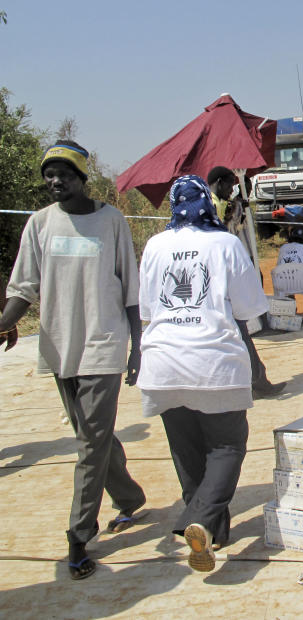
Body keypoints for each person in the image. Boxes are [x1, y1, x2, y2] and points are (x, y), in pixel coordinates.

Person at [0, 140, 146, 580]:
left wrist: (138, 346)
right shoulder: (40, 225)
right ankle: (130, 497)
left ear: (83, 178)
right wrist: (3, 322)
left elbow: (131, 289)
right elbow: (23, 287)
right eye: (49, 175)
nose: (55, 182)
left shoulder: (111, 221)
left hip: (103, 345)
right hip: (60, 347)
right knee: (93, 437)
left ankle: (79, 535)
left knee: (89, 444)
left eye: (64, 174)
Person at [137, 175, 269, 572]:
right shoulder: (226, 243)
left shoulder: (155, 245)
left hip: (161, 364)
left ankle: (212, 532)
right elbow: (249, 309)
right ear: (208, 205)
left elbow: (147, 309)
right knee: (227, 446)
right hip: (214, 363)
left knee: (187, 449)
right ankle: (197, 521)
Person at [207, 166, 285, 398]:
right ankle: (257, 381)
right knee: (239, 331)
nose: (232, 189)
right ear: (219, 182)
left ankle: (255, 379)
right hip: (221, 280)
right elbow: (222, 233)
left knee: (236, 332)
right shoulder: (211, 206)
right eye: (230, 184)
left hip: (220, 278)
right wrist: (236, 208)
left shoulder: (216, 204)